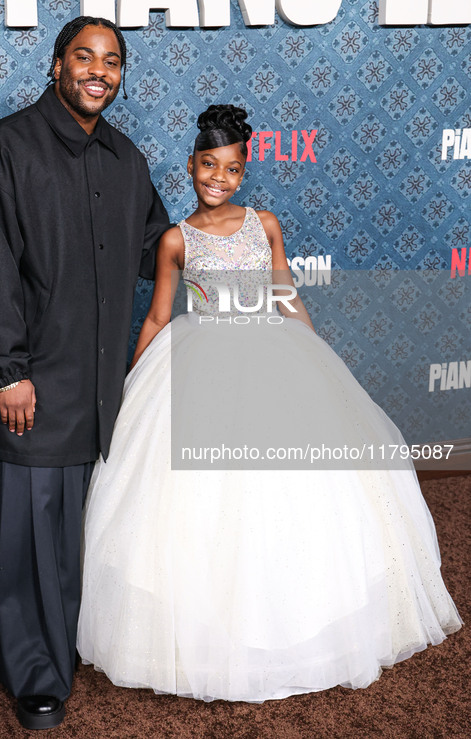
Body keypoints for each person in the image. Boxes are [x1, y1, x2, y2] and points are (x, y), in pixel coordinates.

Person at [77, 105, 462, 702]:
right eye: (209, 166)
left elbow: (285, 294)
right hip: (200, 357)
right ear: (190, 166)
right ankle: (208, 635)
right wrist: (130, 388)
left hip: (271, 350)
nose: (219, 179)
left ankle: (295, 630)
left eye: (231, 169)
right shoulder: (176, 239)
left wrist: (314, 357)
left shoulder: (267, 225)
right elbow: (157, 315)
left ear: (244, 172)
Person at [0, 16, 169, 730]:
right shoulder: (4, 148)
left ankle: (34, 637)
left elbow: (154, 249)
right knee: (30, 531)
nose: (98, 71)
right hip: (30, 382)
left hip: (97, 385)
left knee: (64, 532)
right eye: (84, 56)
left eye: (112, 60)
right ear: (55, 65)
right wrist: (5, 369)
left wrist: (221, 247)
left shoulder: (124, 159)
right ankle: (36, 672)